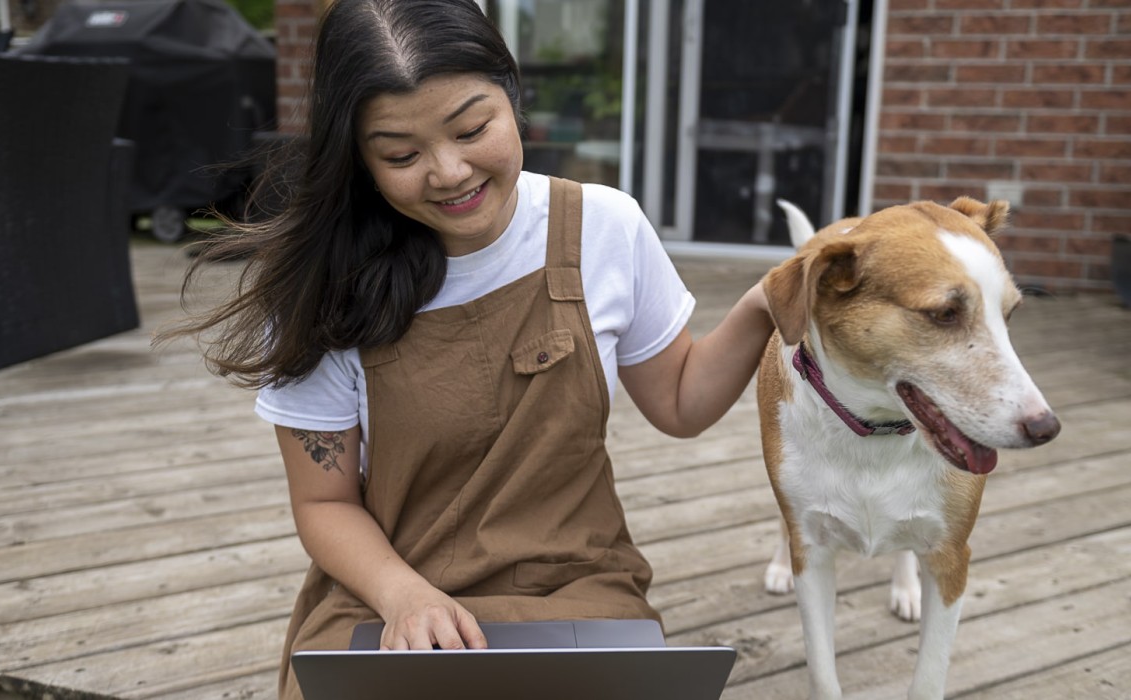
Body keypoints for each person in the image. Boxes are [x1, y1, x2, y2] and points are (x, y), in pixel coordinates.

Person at [165, 1, 774, 697]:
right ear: (357, 157)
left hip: (575, 585)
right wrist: (404, 598)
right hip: (389, 595)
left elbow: (678, 402)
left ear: (512, 99)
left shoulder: (605, 226)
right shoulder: (323, 285)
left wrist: (762, 305)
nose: (449, 172)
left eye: (472, 128)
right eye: (401, 154)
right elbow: (324, 504)